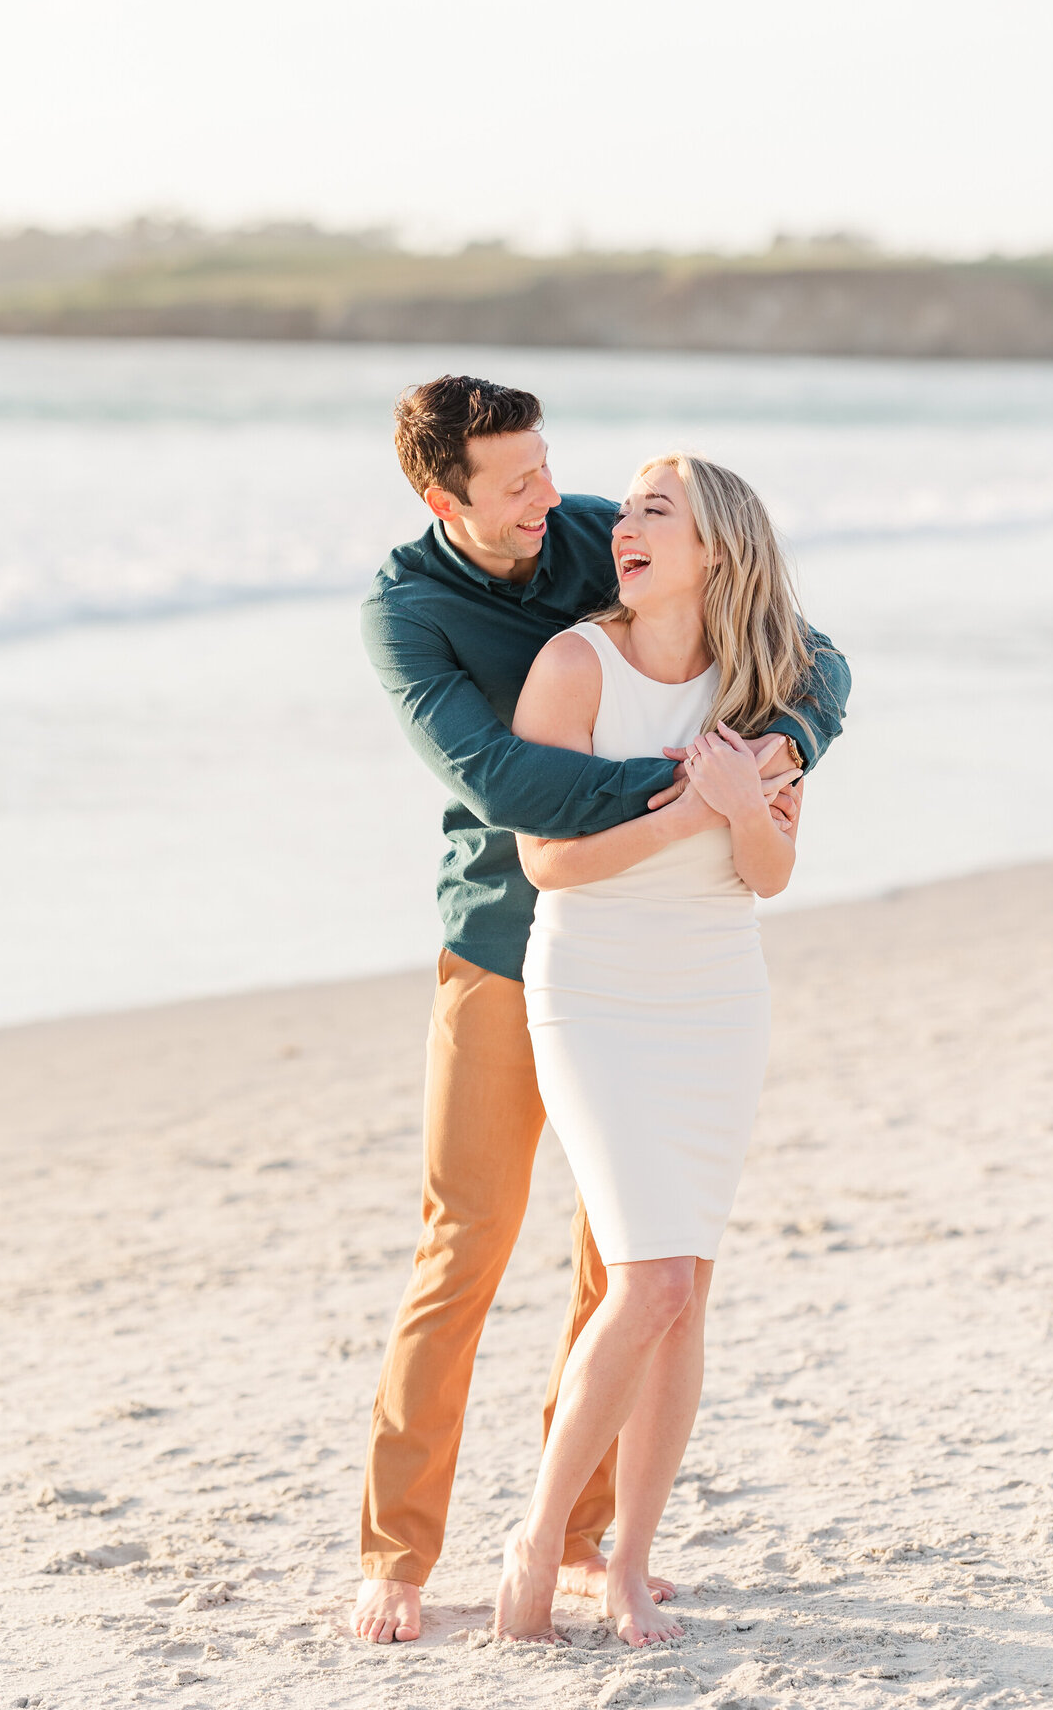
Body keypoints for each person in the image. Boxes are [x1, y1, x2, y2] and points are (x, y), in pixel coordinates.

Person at [353, 377, 850, 1645]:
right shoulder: (408, 613)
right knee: (464, 1242)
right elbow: (506, 778)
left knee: (625, 1267)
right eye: (513, 483)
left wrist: (773, 753)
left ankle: (580, 1537)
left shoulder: (600, 534)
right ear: (442, 496)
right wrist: (701, 783)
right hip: (507, 944)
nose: (548, 499)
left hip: (672, 949)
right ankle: (398, 1556)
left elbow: (813, 658)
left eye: (544, 466)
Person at [495, 451, 814, 1646]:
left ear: (716, 548)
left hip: (719, 992)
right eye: (625, 510)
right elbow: (548, 860)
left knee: (690, 1296)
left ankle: (628, 1561)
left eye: (656, 511)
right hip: (595, 985)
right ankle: (539, 1534)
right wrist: (693, 804)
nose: (625, 526)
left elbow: (772, 874)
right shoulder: (575, 665)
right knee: (652, 1280)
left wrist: (745, 803)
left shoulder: (765, 689)